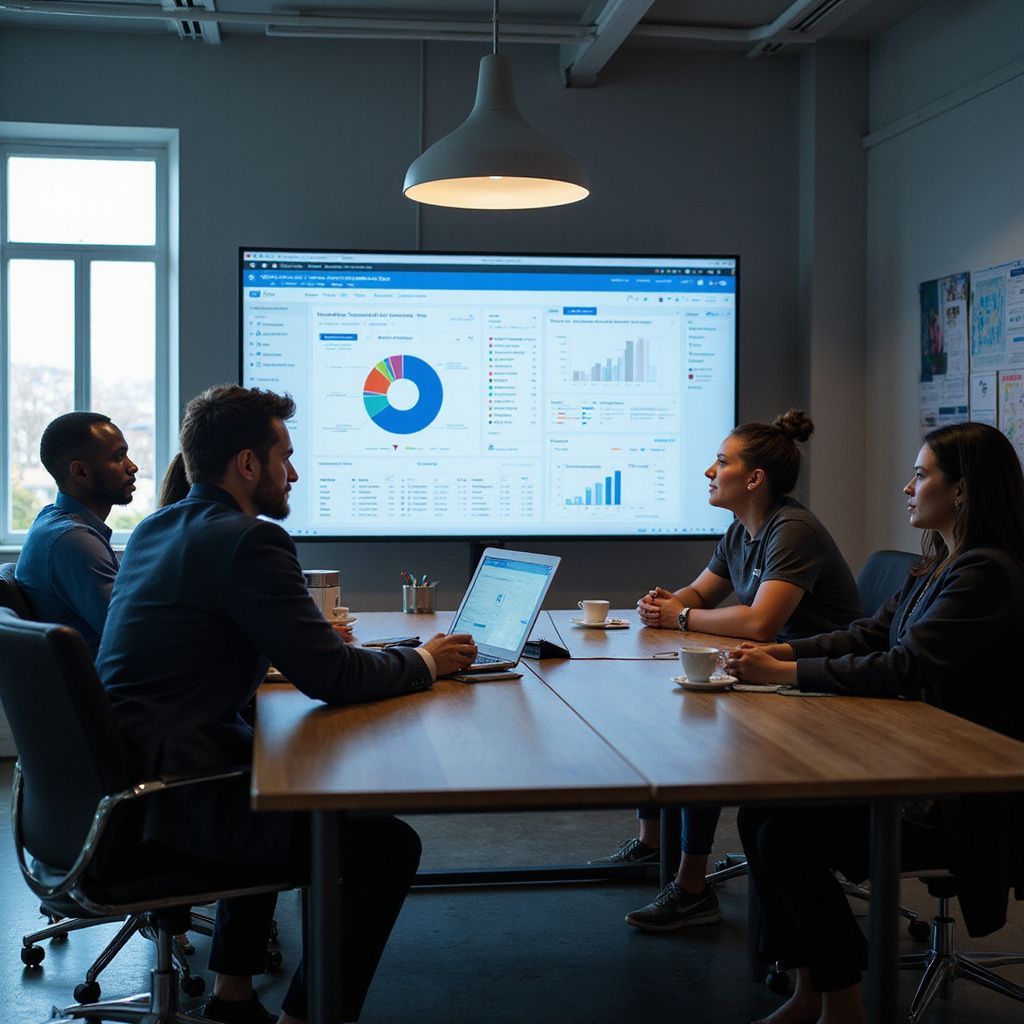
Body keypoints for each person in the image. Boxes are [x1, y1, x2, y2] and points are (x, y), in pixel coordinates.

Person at [97, 385, 478, 1024]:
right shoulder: (249, 540)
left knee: (286, 780)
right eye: (286, 456)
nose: (294, 472)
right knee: (385, 848)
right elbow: (333, 677)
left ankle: (233, 995)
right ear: (248, 465)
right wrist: (428, 661)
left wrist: (301, 640)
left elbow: (213, 636)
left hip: (131, 786)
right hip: (176, 797)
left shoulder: (157, 528)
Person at [728, 421, 1024, 1024]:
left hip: (959, 792)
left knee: (786, 834)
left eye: (921, 475)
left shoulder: (987, 573)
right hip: (918, 757)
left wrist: (783, 675)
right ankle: (810, 988)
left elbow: (906, 665)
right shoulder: (938, 563)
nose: (906, 488)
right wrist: (783, 654)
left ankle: (844, 1004)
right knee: (761, 812)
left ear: (962, 490)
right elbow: (868, 633)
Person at [592, 410, 862, 932]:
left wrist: (684, 616)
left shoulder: (793, 530)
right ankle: (655, 845)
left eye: (721, 462)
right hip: (767, 670)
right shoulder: (743, 528)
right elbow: (700, 593)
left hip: (815, 682)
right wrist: (666, 604)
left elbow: (761, 622)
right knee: (669, 714)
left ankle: (692, 888)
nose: (709, 472)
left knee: (699, 740)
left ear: (754, 479)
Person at [15, 411, 138, 657]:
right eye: (119, 456)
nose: (132, 466)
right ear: (80, 472)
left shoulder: (53, 521)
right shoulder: (73, 541)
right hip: (115, 689)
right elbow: (131, 635)